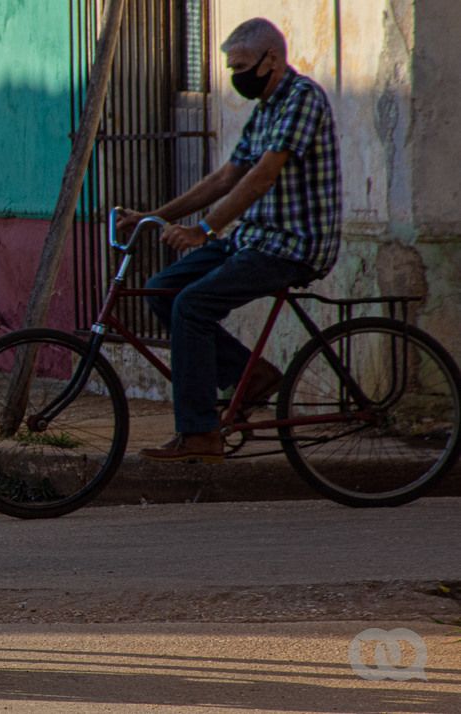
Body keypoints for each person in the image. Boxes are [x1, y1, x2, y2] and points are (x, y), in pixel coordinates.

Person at [117, 18, 340, 463]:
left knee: (193, 305)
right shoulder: (265, 111)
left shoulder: (302, 99)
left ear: (271, 59)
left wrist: (203, 230)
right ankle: (250, 375)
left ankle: (200, 434)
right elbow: (226, 177)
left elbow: (261, 177)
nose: (237, 77)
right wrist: (153, 217)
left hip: (291, 245)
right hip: (253, 239)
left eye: (241, 66)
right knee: (162, 289)